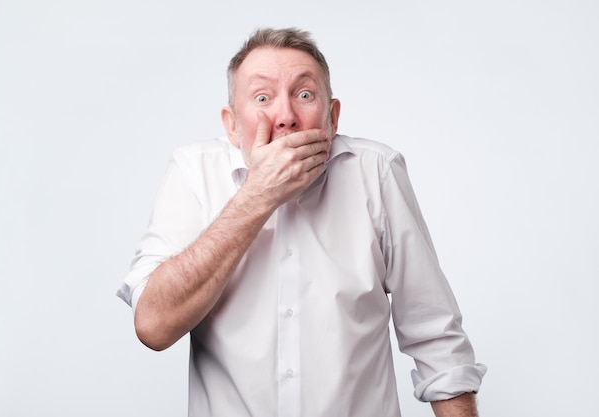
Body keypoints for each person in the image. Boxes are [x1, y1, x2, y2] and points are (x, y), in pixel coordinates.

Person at [117, 27, 487, 417]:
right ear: (231, 125)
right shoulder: (193, 173)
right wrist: (258, 196)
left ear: (332, 117)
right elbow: (154, 327)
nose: (286, 117)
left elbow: (437, 342)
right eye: (263, 98)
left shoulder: (376, 172)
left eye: (305, 95)